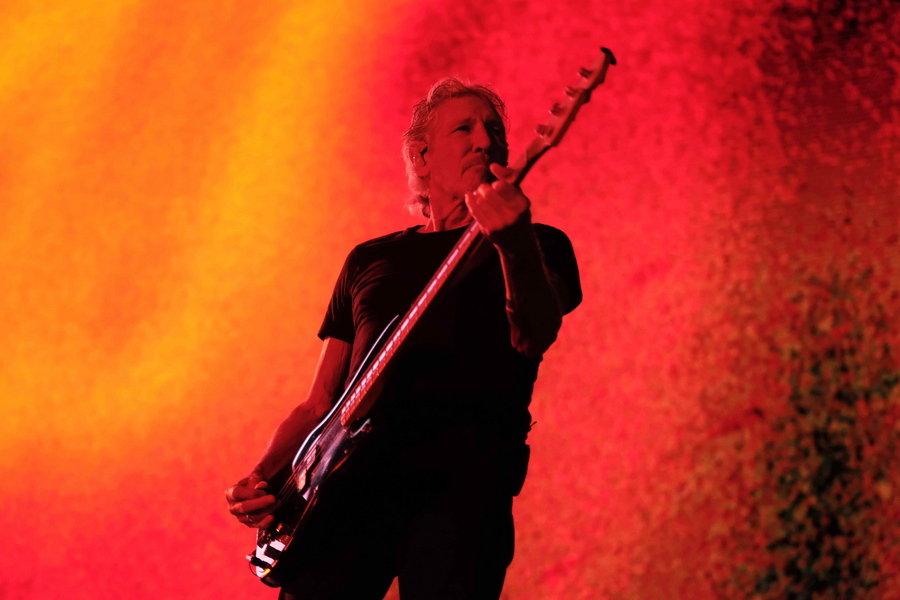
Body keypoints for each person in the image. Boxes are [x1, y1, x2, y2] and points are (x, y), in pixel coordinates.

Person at [225, 78, 582, 600]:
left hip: (462, 488)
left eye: (494, 131)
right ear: (421, 155)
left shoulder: (538, 243)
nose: (484, 141)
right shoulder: (368, 259)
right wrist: (261, 477)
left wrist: (514, 244)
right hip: (344, 493)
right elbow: (322, 403)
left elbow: (534, 334)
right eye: (464, 128)